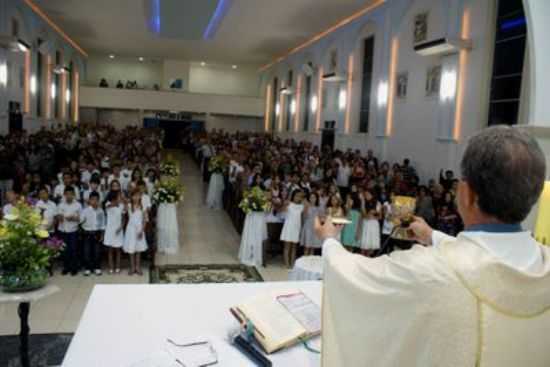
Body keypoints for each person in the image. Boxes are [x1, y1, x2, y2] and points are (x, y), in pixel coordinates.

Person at [317, 126, 550, 366]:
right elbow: (488, 261)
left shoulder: (427, 270)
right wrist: (432, 236)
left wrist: (330, 241)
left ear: (465, 193)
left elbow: (354, 277)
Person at [57, 187, 82, 276]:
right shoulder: (61, 205)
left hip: (73, 230)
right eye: (67, 194)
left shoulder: (78, 205)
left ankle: (74, 268)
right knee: (64, 250)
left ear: (74, 195)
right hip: (63, 230)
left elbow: (81, 219)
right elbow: (58, 217)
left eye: (71, 194)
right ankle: (66, 268)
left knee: (73, 250)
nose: (69, 196)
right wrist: (61, 217)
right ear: (64, 195)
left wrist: (74, 218)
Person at [123, 190, 148, 275]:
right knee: (131, 248)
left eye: (138, 196)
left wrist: (142, 230)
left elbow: (145, 220)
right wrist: (126, 202)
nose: (136, 198)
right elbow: (123, 211)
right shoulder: (129, 205)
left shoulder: (143, 206)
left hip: (139, 229)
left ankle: (138, 267)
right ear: (131, 197)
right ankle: (132, 267)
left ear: (140, 196)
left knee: (138, 249)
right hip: (131, 229)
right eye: (134, 196)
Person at [80, 192, 105, 276]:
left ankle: (97, 267)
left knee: (97, 252)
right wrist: (80, 219)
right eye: (92, 199)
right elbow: (81, 221)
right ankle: (88, 268)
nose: (94, 201)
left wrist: (102, 235)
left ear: (98, 201)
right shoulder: (85, 210)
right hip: (87, 233)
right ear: (89, 200)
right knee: (87, 252)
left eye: (96, 200)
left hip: (97, 233)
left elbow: (103, 223)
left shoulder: (101, 211)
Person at [280, 190, 304, 268]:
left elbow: (302, 217)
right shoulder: (289, 204)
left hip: (297, 227)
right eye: (296, 196)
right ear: (293, 196)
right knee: (287, 246)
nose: (298, 197)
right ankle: (286, 263)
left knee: (294, 247)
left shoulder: (302, 206)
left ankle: (292, 263)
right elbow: (282, 211)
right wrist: (285, 204)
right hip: (289, 226)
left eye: (300, 196)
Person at [103, 189, 125, 274]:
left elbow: (123, 219)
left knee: (118, 250)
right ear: (114, 197)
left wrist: (121, 227)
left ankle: (118, 267)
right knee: (110, 250)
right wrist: (115, 203)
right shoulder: (108, 204)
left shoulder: (122, 206)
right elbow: (109, 206)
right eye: (119, 196)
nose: (120, 197)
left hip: (118, 230)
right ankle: (111, 267)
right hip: (110, 230)